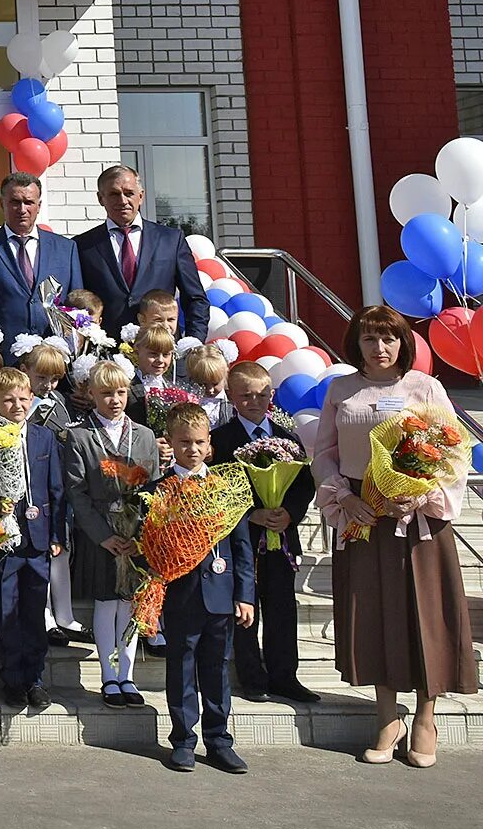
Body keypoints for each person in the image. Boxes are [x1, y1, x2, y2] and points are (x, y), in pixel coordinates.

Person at [313, 305, 477, 767]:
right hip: (364, 519)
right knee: (372, 615)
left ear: (403, 342)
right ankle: (388, 715)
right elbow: (324, 452)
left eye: (389, 338)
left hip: (419, 522)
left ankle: (426, 715)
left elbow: (453, 450)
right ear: (356, 344)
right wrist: (342, 497)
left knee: (426, 614)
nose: (380, 348)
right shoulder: (342, 390)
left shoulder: (425, 387)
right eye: (370, 339)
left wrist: (423, 493)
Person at [154, 403, 254, 774]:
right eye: (184, 443)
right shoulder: (159, 491)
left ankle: (219, 740)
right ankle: (182, 740)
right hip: (180, 596)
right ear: (172, 443)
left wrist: (245, 595)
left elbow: (242, 547)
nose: (192, 450)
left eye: (198, 442)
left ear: (209, 443)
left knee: (216, 668)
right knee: (181, 668)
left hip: (222, 593)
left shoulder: (227, 488)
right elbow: (153, 549)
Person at [211, 361, 316, 705]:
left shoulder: (287, 438)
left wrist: (289, 514)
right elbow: (217, 487)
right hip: (243, 539)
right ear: (231, 396)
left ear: (271, 395)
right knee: (246, 608)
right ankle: (252, 677)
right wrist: (250, 513)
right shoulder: (221, 440)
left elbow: (304, 485)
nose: (254, 401)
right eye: (245, 395)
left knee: (282, 606)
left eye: (261, 394)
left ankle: (285, 675)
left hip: (281, 537)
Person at [63, 359, 162, 711]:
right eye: (106, 394)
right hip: (101, 531)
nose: (115, 400)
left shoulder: (145, 435)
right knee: (107, 603)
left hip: (136, 531)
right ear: (91, 395)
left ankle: (128, 675)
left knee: (131, 604)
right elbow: (77, 492)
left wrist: (142, 532)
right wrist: (103, 535)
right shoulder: (78, 436)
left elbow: (153, 486)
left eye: (120, 392)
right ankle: (109, 674)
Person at [0, 369, 66, 711]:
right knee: (7, 610)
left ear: (31, 398)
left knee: (34, 610)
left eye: (22, 398)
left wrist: (58, 534)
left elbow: (57, 489)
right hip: (5, 539)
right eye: (8, 400)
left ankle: (35, 678)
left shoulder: (44, 438)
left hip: (38, 538)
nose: (17, 405)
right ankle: (12, 678)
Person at [74, 164, 210, 339]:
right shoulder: (82, 245)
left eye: (129, 193)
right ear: (101, 198)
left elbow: (195, 299)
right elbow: (77, 303)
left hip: (160, 353)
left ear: (141, 196)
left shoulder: (170, 240)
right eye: (114, 194)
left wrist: (193, 343)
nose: (122, 200)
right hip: (105, 355)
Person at [0, 173, 84, 353]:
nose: (22, 209)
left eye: (28, 202)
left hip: (55, 359)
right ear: (1, 204)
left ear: (39, 205)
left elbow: (76, 305)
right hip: (3, 359)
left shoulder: (66, 249)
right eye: (14, 202)